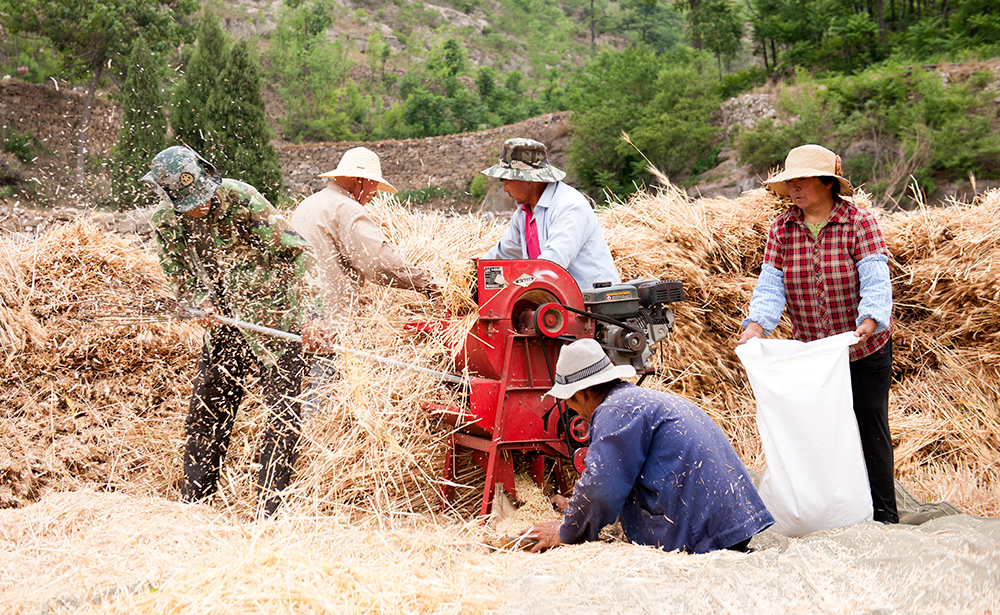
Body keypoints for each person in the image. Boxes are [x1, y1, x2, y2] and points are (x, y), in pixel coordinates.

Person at [142, 145, 326, 518]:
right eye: (189, 203)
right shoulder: (166, 223)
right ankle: (194, 507)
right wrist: (199, 301)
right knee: (206, 412)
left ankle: (269, 513)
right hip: (225, 326)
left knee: (283, 416)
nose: (199, 207)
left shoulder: (242, 199)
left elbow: (299, 253)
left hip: (275, 322)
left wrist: (313, 314)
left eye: (203, 198)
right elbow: (177, 273)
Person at [737, 144, 899, 524]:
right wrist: (756, 325)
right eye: (790, 181)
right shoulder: (782, 229)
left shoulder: (859, 222)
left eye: (802, 179)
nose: (794, 187)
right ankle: (833, 511)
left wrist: (870, 320)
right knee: (822, 430)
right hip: (817, 355)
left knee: (868, 421)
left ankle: (884, 515)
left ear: (828, 183)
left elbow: (876, 278)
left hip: (863, 350)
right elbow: (771, 285)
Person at [521, 339, 774, 554]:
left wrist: (566, 530)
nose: (577, 412)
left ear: (581, 394)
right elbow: (622, 479)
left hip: (705, 532)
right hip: (731, 523)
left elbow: (602, 487)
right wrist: (578, 508)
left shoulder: (614, 410)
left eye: (571, 403)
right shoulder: (638, 401)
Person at [290, 146, 439, 337]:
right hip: (329, 326)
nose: (375, 193)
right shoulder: (347, 209)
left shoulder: (307, 204)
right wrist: (426, 283)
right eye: (374, 184)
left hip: (299, 322)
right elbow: (377, 261)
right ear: (359, 179)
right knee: (327, 368)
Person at [480, 138, 619, 290]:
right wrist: (475, 272)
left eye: (506, 182)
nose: (505, 189)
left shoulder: (568, 206)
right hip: (557, 299)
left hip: (594, 301)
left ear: (528, 179)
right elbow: (503, 253)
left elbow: (553, 264)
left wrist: (518, 285)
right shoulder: (523, 213)